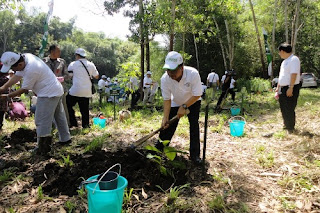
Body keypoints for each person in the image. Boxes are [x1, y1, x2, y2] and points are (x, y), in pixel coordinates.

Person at [0, 51, 71, 155]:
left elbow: (25, 88)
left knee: (41, 120)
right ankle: (65, 139)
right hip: (56, 90)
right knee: (59, 116)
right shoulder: (25, 57)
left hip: (48, 94)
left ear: (19, 64)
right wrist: (4, 87)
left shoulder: (31, 69)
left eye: (13, 68)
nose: (12, 71)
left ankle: (43, 147)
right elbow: (17, 75)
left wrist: (7, 96)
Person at [156, 51, 203, 165]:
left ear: (181, 67)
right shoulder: (165, 79)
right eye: (168, 70)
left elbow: (197, 94)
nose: (170, 74)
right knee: (167, 126)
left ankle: (195, 155)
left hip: (193, 101)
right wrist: (165, 117)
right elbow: (167, 99)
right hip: (175, 102)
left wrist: (185, 106)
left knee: (194, 125)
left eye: (173, 71)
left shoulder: (193, 74)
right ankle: (157, 151)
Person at [67, 48, 99, 128]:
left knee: (67, 105)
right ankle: (86, 126)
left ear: (77, 55)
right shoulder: (91, 64)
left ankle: (73, 122)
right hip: (86, 91)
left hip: (75, 90)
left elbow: (69, 75)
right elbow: (97, 76)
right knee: (85, 110)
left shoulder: (73, 64)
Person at [275, 43, 301, 133]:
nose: (279, 54)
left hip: (290, 87)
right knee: (283, 107)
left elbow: (294, 74)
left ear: (282, 51)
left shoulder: (294, 59)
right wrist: (278, 87)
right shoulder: (284, 61)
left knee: (289, 107)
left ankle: (290, 127)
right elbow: (281, 75)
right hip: (283, 87)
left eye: (279, 52)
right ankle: (286, 124)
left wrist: (291, 87)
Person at [43, 44, 70, 125]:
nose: (60, 52)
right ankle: (50, 125)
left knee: (63, 108)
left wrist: (62, 78)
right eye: (58, 51)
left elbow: (67, 74)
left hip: (60, 88)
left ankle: (66, 125)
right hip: (47, 89)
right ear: (52, 52)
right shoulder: (44, 61)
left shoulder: (62, 62)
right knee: (48, 108)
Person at [0, 63, 9, 130]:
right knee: (1, 115)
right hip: (3, 99)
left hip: (3, 98)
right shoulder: (5, 79)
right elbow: (7, 91)